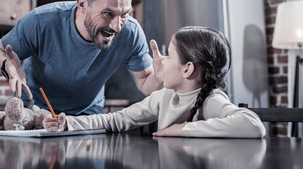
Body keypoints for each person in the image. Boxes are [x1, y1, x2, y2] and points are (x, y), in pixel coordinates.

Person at [0, 0, 163, 115]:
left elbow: (146, 80)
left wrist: (164, 76)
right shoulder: (41, 21)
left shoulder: (130, 32)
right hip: (34, 111)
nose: (117, 26)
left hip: (87, 116)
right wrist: (7, 66)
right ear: (82, 3)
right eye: (108, 13)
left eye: (125, 14)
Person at [43, 26, 266, 138]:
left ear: (187, 69)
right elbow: (118, 120)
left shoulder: (211, 100)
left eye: (169, 55)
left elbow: (253, 125)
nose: (162, 61)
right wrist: (69, 123)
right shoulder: (164, 97)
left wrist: (183, 129)